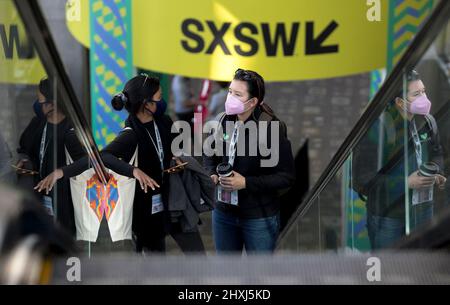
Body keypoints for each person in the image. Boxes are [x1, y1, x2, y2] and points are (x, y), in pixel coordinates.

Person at [103, 74, 205, 254]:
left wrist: (177, 156)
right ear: (146, 104)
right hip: (147, 209)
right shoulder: (130, 134)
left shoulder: (165, 122)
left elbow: (175, 145)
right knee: (154, 264)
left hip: (175, 200)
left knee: (198, 256)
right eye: (159, 98)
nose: (163, 102)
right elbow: (103, 156)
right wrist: (133, 171)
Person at [203, 68, 295, 254]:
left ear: (253, 102)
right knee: (226, 274)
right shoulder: (223, 120)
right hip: (223, 212)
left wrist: (246, 182)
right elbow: (209, 155)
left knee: (259, 274)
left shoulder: (270, 128)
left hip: (258, 217)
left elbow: (286, 177)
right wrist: (211, 173)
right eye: (230, 91)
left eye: (237, 94)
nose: (230, 98)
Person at [352, 70, 447, 250]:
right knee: (388, 267)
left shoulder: (427, 121)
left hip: (423, 209)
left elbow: (437, 151)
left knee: (420, 263)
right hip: (389, 215)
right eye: (416, 94)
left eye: (424, 91)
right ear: (400, 102)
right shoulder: (379, 129)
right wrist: (406, 183)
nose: (424, 98)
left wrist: (436, 171)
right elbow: (363, 178)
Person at [20, 78, 87, 236]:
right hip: (41, 194)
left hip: (64, 201)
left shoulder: (70, 131)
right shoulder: (38, 124)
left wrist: (60, 172)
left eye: (42, 102)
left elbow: (87, 162)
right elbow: (25, 149)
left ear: (53, 103)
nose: (39, 106)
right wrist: (25, 161)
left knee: (63, 238)